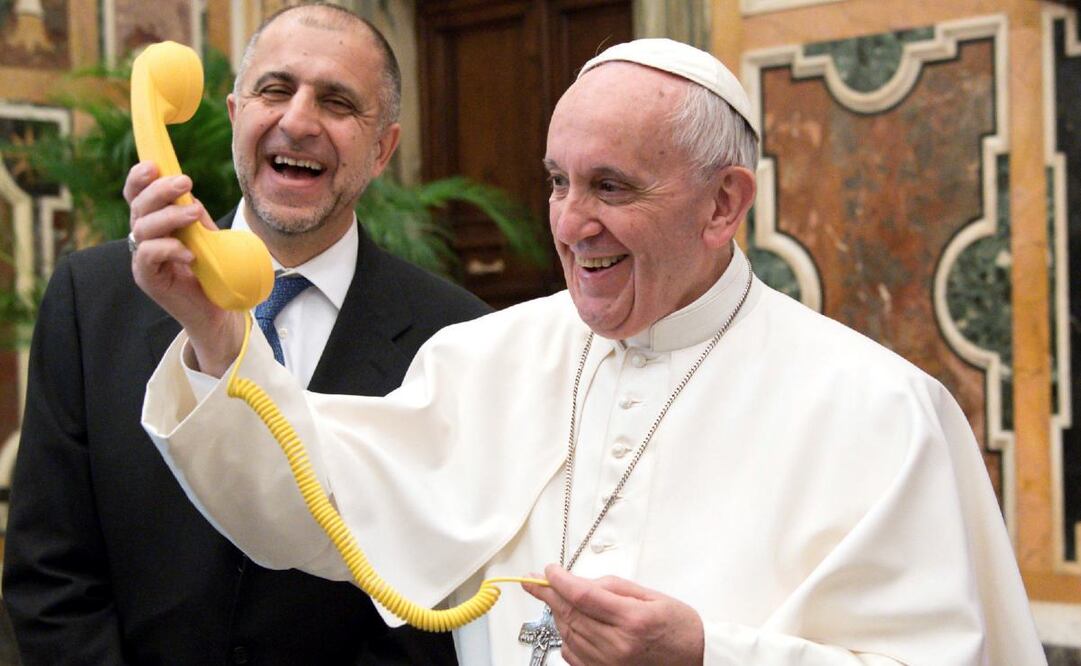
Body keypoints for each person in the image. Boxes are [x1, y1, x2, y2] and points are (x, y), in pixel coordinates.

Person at [134, 38, 1046, 665]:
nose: (571, 225)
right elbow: (315, 507)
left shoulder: (881, 410)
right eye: (558, 182)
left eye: (611, 186)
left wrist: (703, 653)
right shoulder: (486, 359)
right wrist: (216, 334)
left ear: (723, 204)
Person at [2, 4, 489, 664]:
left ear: (382, 151)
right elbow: (50, 576)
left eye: (338, 102)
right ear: (235, 116)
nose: (297, 120)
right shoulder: (93, 299)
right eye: (275, 89)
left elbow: (434, 605)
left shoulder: (456, 335)